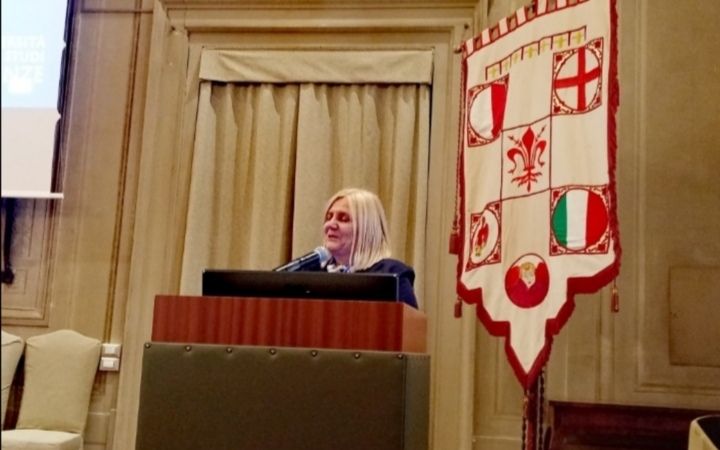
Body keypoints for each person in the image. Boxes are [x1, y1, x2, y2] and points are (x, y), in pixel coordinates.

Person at [306, 188, 418, 309]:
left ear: (367, 228)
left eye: (343, 219)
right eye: (329, 217)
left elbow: (407, 320)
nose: (330, 225)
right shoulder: (311, 275)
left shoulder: (391, 273)